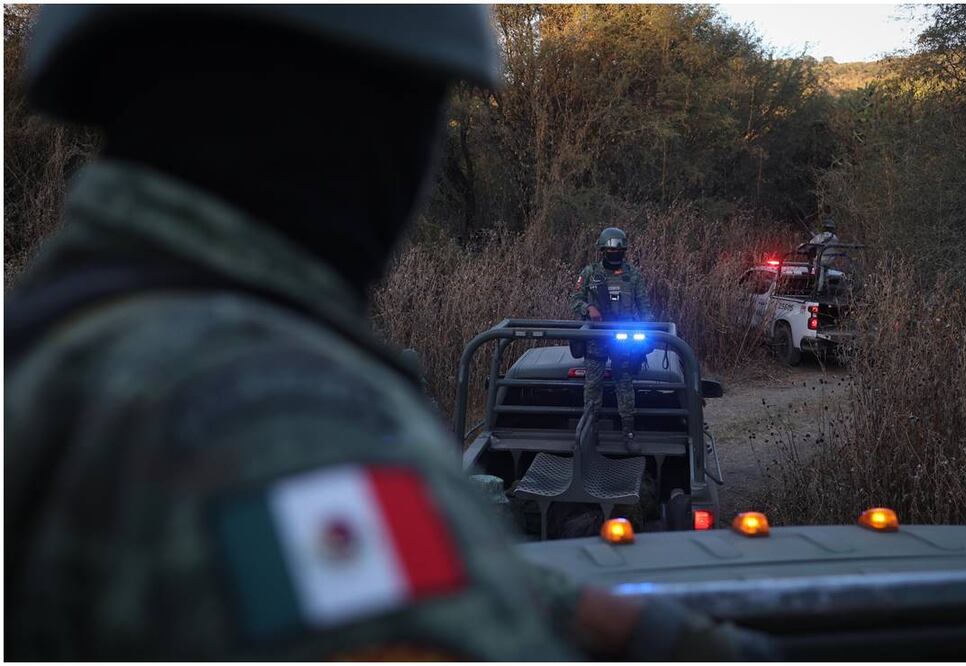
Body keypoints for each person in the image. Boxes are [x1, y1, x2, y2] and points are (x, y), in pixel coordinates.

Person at [5, 7, 776, 661]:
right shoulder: (269, 405)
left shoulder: (62, 334)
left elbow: (376, 585)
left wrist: (643, 629)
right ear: (366, 116)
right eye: (427, 112)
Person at [570, 227, 653, 454]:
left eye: (619, 250)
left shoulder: (633, 275)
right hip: (596, 338)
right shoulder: (590, 273)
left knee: (624, 383)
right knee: (592, 386)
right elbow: (574, 298)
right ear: (602, 250)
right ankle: (590, 431)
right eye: (610, 250)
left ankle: (628, 432)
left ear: (624, 251)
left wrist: (650, 334)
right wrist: (589, 308)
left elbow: (645, 307)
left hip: (623, 338)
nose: (614, 254)